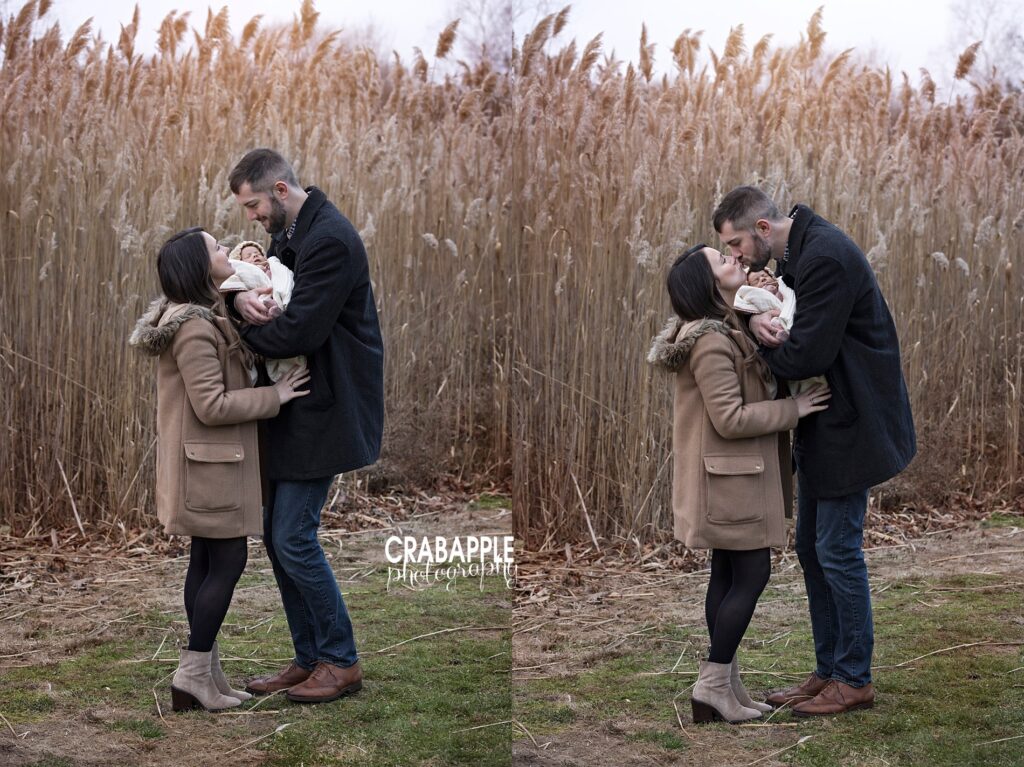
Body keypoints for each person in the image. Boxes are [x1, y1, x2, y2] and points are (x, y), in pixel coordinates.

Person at [713, 186, 916, 716]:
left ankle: (854, 679)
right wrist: (761, 311)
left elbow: (807, 353)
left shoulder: (824, 256)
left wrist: (756, 334)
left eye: (736, 244)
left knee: (838, 551)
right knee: (812, 549)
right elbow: (795, 328)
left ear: (762, 229)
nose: (734, 257)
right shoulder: (801, 253)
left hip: (855, 421)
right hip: (828, 423)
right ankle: (828, 671)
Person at [647, 243, 831, 724]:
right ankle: (712, 684)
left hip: (729, 477)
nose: (735, 260)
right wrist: (796, 409)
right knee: (751, 576)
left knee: (727, 576)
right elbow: (729, 418)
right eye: (722, 262)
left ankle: (725, 685)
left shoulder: (724, 330)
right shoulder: (710, 343)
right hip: (730, 481)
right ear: (708, 285)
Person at [129, 227, 310, 712]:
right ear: (197, 266)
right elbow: (210, 405)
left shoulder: (205, 317)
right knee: (226, 562)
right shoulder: (193, 328)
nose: (226, 250)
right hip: (209, 467)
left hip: (208, 463)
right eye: (215, 248)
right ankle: (192, 674)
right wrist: (276, 395)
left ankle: (204, 674)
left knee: (206, 563)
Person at [227, 148, 384, 704]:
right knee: (277, 536)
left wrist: (236, 327)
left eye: (253, 205)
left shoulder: (329, 242)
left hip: (328, 405)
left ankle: (340, 660)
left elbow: (297, 332)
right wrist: (244, 297)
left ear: (282, 191)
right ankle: (309, 657)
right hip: (298, 405)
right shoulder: (294, 232)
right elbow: (275, 301)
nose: (251, 217)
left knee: (292, 535)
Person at [219, 240, 304, 382]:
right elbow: (231, 285)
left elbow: (285, 279)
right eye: (248, 256)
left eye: (257, 253)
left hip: (281, 311)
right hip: (256, 322)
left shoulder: (275, 266)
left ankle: (278, 310)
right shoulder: (243, 271)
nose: (255, 256)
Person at [733, 270, 825, 396]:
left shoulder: (787, 287)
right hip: (780, 347)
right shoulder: (756, 298)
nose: (762, 280)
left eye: (764, 276)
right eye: (756, 280)